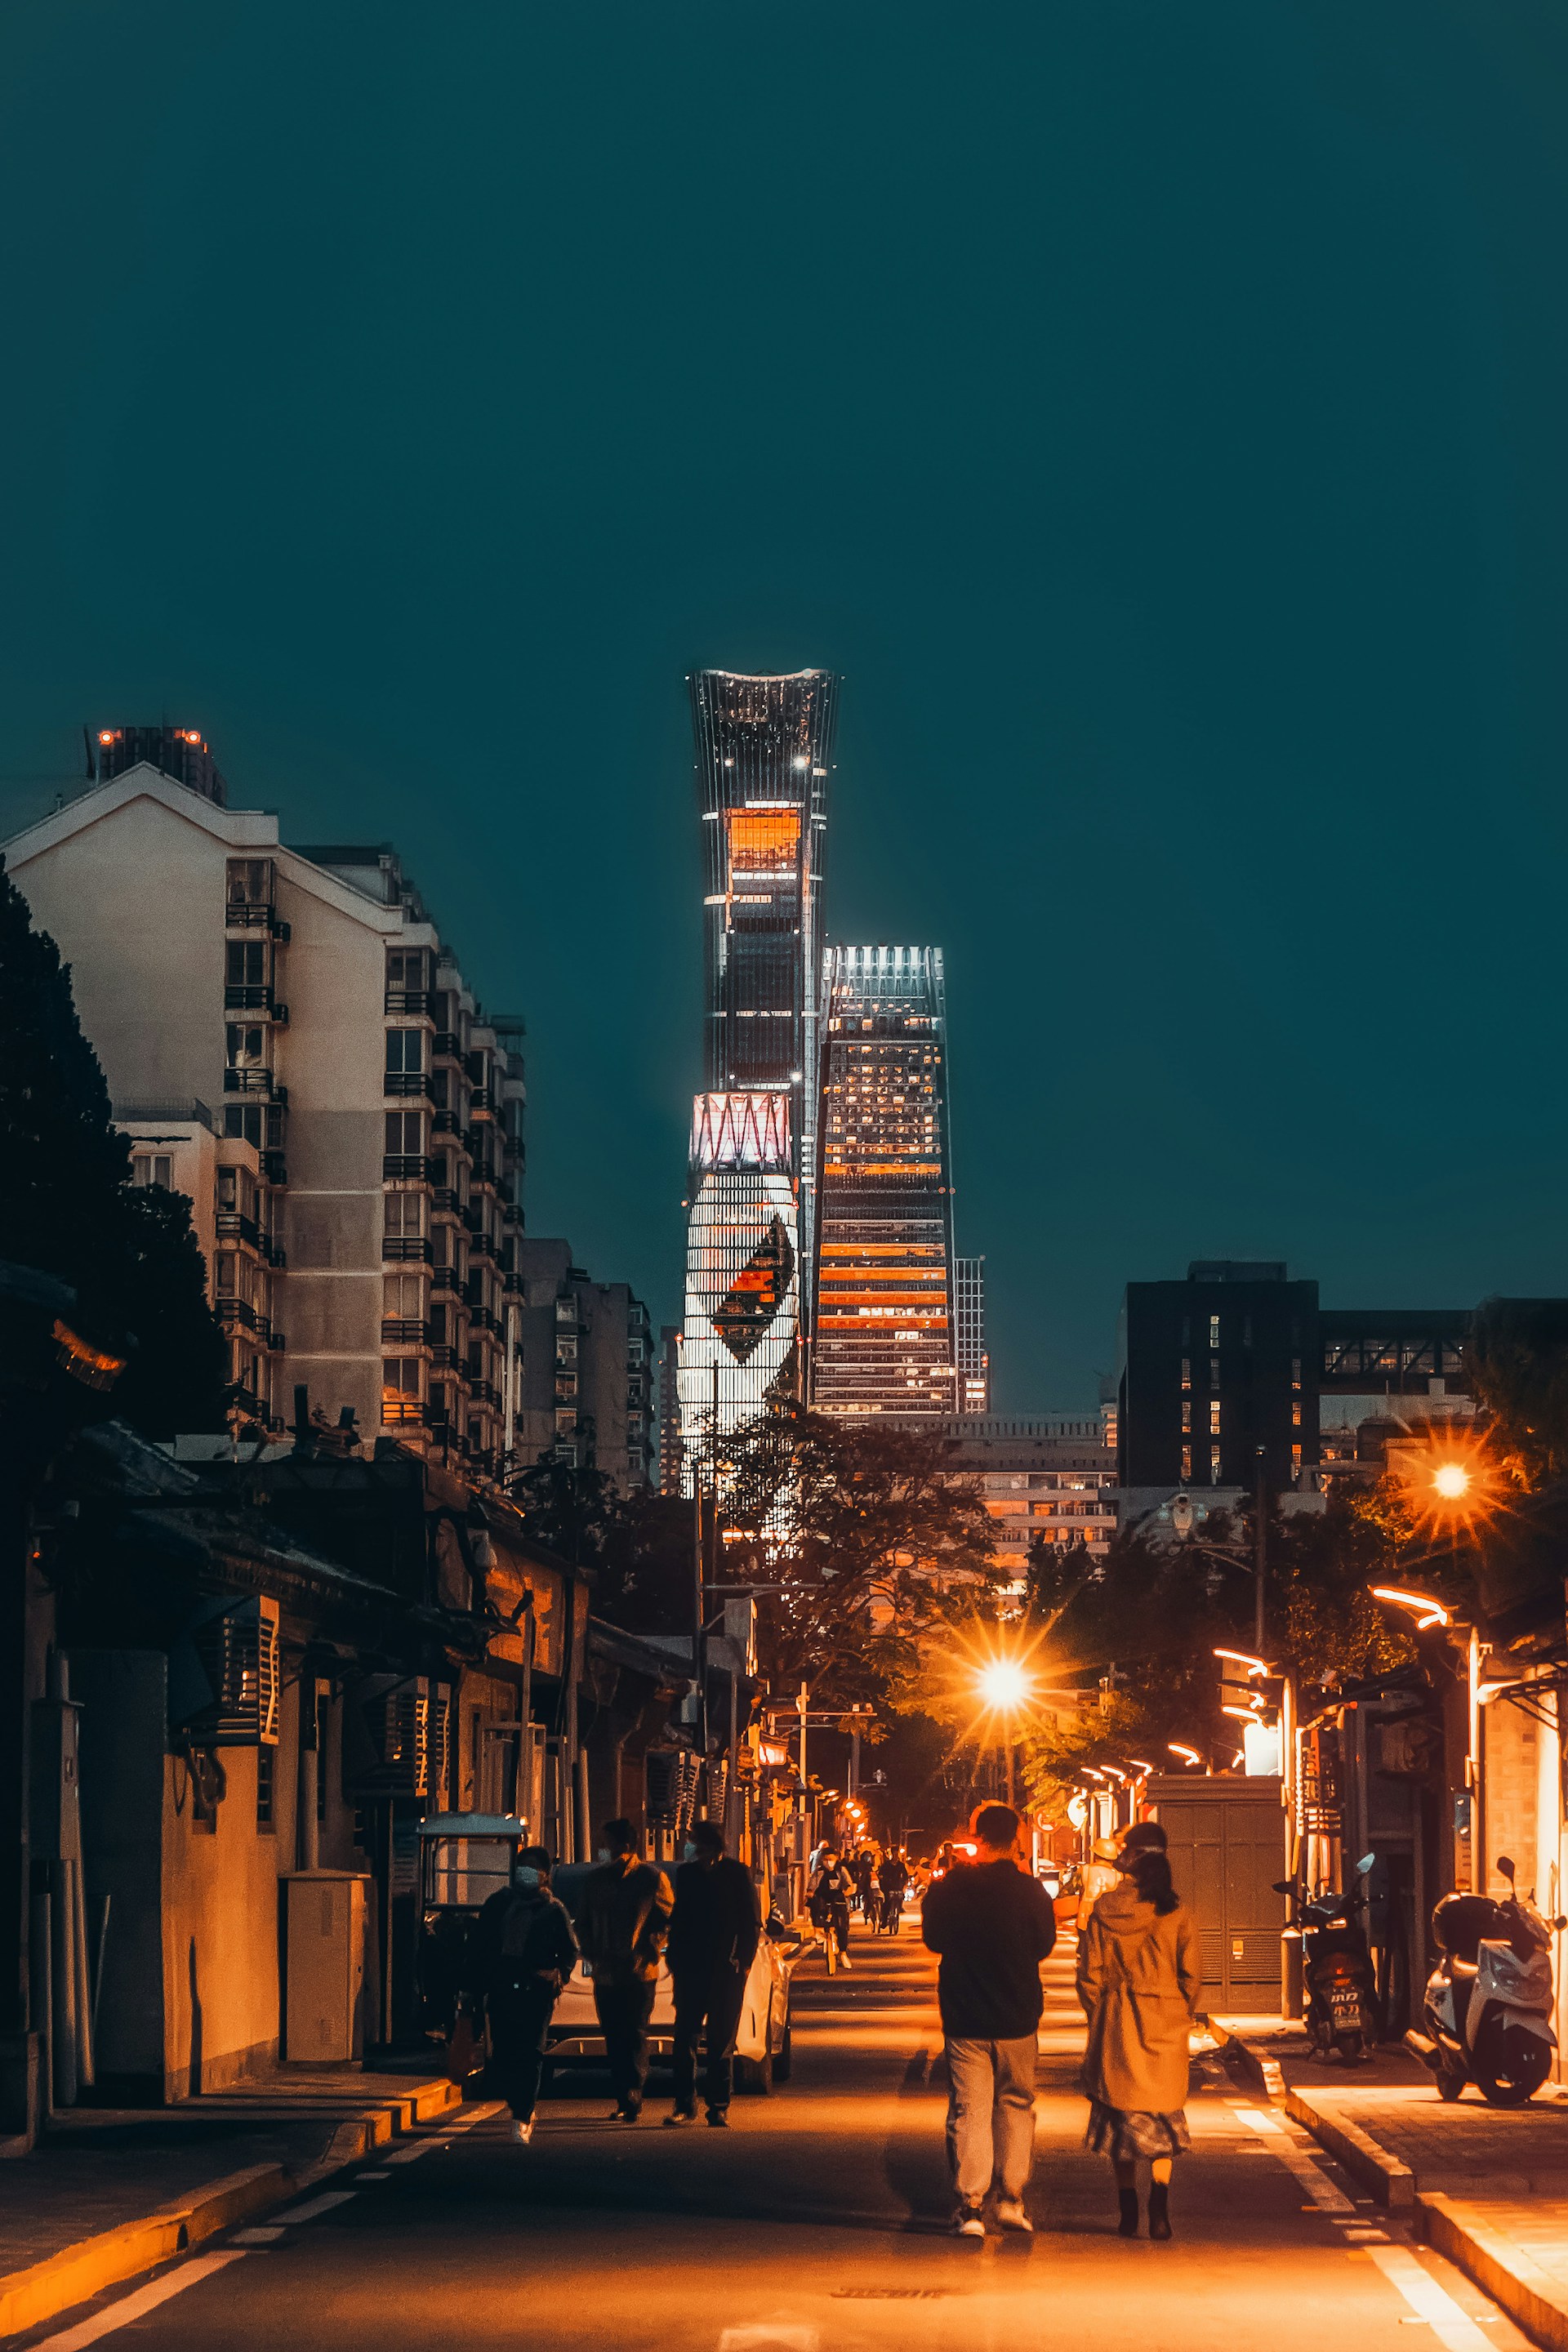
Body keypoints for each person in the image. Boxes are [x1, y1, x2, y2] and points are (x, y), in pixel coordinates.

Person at [921, 1802, 1057, 2238]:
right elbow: (1043, 1947)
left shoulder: (949, 1890)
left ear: (978, 1837)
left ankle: (971, 2206)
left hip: (965, 2015)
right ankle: (1013, 2200)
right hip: (1018, 2015)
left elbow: (934, 1939)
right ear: (1017, 1840)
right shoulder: (1032, 1892)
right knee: (1017, 2106)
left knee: (970, 2111)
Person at [1076, 1823, 1200, 2242]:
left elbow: (1089, 1976)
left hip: (1118, 2024)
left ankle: (1128, 2209)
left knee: (1120, 2120)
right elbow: (1192, 1978)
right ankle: (1159, 2206)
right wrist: (1179, 2013)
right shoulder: (1178, 1913)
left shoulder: (1105, 1910)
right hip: (1164, 2025)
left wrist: (1103, 2014)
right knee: (1163, 2119)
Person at [466, 1843, 579, 2145]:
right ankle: (517, 2102)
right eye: (523, 1866)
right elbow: (480, 1946)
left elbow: (569, 1950)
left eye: (534, 1868)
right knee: (503, 2050)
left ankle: (523, 2115)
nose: (527, 1873)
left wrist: (558, 1975)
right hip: (502, 1985)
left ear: (544, 1875)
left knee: (532, 2052)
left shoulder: (553, 1910)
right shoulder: (499, 1903)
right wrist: (474, 1985)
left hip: (536, 1990)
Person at [665, 1819, 762, 2128]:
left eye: (695, 1841)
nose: (691, 1847)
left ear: (711, 1845)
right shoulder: (687, 1874)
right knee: (684, 2039)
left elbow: (750, 1922)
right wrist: (675, 1960)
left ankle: (718, 2105)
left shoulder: (736, 1873)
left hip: (726, 1970)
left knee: (721, 2041)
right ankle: (684, 2104)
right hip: (691, 1970)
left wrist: (742, 1961)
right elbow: (678, 1922)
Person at [578, 1817, 674, 2123]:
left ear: (626, 1844)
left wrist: (652, 1944)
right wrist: (591, 1952)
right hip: (606, 1971)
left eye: (611, 1843)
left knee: (635, 2032)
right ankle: (623, 2096)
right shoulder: (596, 1879)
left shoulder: (651, 1878)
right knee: (613, 2034)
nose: (607, 1849)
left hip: (639, 1970)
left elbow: (670, 1916)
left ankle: (633, 2095)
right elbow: (583, 1921)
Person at [807, 1845, 855, 1972]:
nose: (828, 1861)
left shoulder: (841, 1870)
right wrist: (810, 1893)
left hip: (838, 1899)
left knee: (841, 1925)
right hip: (823, 1897)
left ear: (836, 1858)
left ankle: (843, 1952)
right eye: (825, 1859)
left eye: (830, 1858)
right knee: (815, 1906)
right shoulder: (819, 1872)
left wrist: (846, 1891)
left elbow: (849, 1884)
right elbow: (812, 1885)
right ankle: (818, 1932)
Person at [877, 1849, 911, 1935]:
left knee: (900, 1897)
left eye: (897, 1854)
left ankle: (899, 1908)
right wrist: (882, 1877)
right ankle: (884, 1920)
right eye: (894, 1854)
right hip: (887, 1887)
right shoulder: (886, 1865)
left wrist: (904, 1884)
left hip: (898, 1886)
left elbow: (905, 1876)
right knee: (887, 1903)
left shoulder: (901, 1865)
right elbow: (880, 1874)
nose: (896, 1856)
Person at [853, 1847, 877, 1918]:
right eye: (866, 1856)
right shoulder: (859, 1865)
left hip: (871, 1885)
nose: (868, 1857)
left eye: (869, 1856)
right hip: (862, 1885)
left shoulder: (871, 1866)